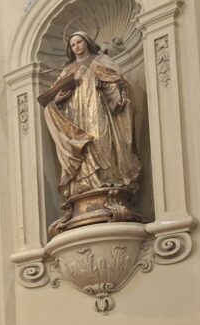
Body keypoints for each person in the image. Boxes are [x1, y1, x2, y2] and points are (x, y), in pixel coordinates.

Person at [43, 32, 141, 230]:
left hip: (97, 109)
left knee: (101, 140)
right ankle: (84, 185)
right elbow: (54, 97)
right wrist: (58, 99)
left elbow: (116, 81)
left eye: (79, 42)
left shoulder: (100, 60)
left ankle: (108, 178)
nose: (76, 47)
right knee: (82, 147)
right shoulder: (68, 69)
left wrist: (117, 94)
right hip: (75, 114)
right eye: (73, 44)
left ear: (87, 42)